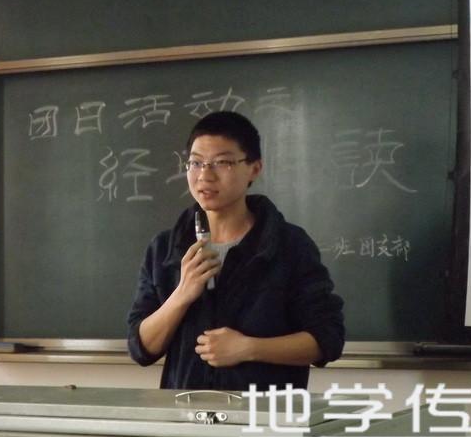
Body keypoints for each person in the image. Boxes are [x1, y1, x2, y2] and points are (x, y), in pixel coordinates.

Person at [127, 111, 344, 391]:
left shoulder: (288, 245)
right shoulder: (164, 249)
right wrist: (182, 294)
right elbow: (141, 348)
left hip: (264, 412)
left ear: (254, 168)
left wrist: (249, 348)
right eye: (196, 162)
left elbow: (328, 338)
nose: (205, 175)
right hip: (186, 414)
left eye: (223, 162)